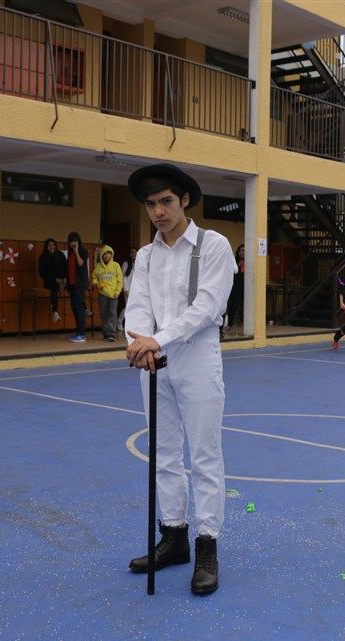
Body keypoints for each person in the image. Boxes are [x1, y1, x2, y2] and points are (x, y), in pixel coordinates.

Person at [124, 163, 236, 595]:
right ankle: (174, 536)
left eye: (166, 201)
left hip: (197, 356)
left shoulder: (213, 245)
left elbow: (207, 307)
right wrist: (139, 343)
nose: (158, 211)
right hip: (154, 360)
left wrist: (157, 338)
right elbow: (137, 305)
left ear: (184, 200)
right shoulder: (146, 256)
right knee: (163, 453)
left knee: (204, 454)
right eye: (151, 204)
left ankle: (207, 543)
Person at [91, 245, 123, 342]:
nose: (106, 255)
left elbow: (120, 280)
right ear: (101, 255)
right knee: (103, 315)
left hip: (114, 295)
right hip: (102, 294)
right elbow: (94, 277)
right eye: (104, 254)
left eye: (108, 253)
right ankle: (106, 334)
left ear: (111, 254)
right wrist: (96, 283)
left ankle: (111, 334)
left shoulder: (116, 265)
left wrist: (117, 292)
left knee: (112, 314)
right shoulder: (98, 266)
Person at [64, 231, 90, 343]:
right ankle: (78, 331)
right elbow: (68, 269)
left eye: (74, 241)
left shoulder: (83, 251)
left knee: (79, 308)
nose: (73, 244)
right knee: (74, 308)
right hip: (71, 285)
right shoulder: (69, 254)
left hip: (79, 285)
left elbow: (81, 264)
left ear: (78, 241)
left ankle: (82, 334)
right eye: (71, 242)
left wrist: (76, 251)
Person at [37, 238, 66, 323]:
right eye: (49, 245)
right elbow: (42, 274)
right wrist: (55, 279)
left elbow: (65, 268)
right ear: (46, 247)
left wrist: (63, 279)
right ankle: (55, 312)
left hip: (62, 280)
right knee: (54, 287)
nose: (51, 247)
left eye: (53, 245)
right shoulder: (43, 257)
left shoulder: (60, 254)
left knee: (75, 286)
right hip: (50, 281)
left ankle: (84, 308)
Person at [225, 244, 245, 332]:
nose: (242, 252)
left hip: (247, 287)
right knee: (233, 304)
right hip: (235, 287)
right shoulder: (235, 261)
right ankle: (229, 324)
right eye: (240, 250)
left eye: (244, 250)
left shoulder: (250, 261)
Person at [119, 246, 137, 327]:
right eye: (131, 252)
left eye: (135, 252)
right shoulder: (126, 264)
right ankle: (119, 321)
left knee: (135, 307)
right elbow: (123, 278)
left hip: (136, 289)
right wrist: (125, 289)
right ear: (129, 254)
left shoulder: (138, 263)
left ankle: (132, 324)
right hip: (128, 289)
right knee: (128, 307)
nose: (133, 254)